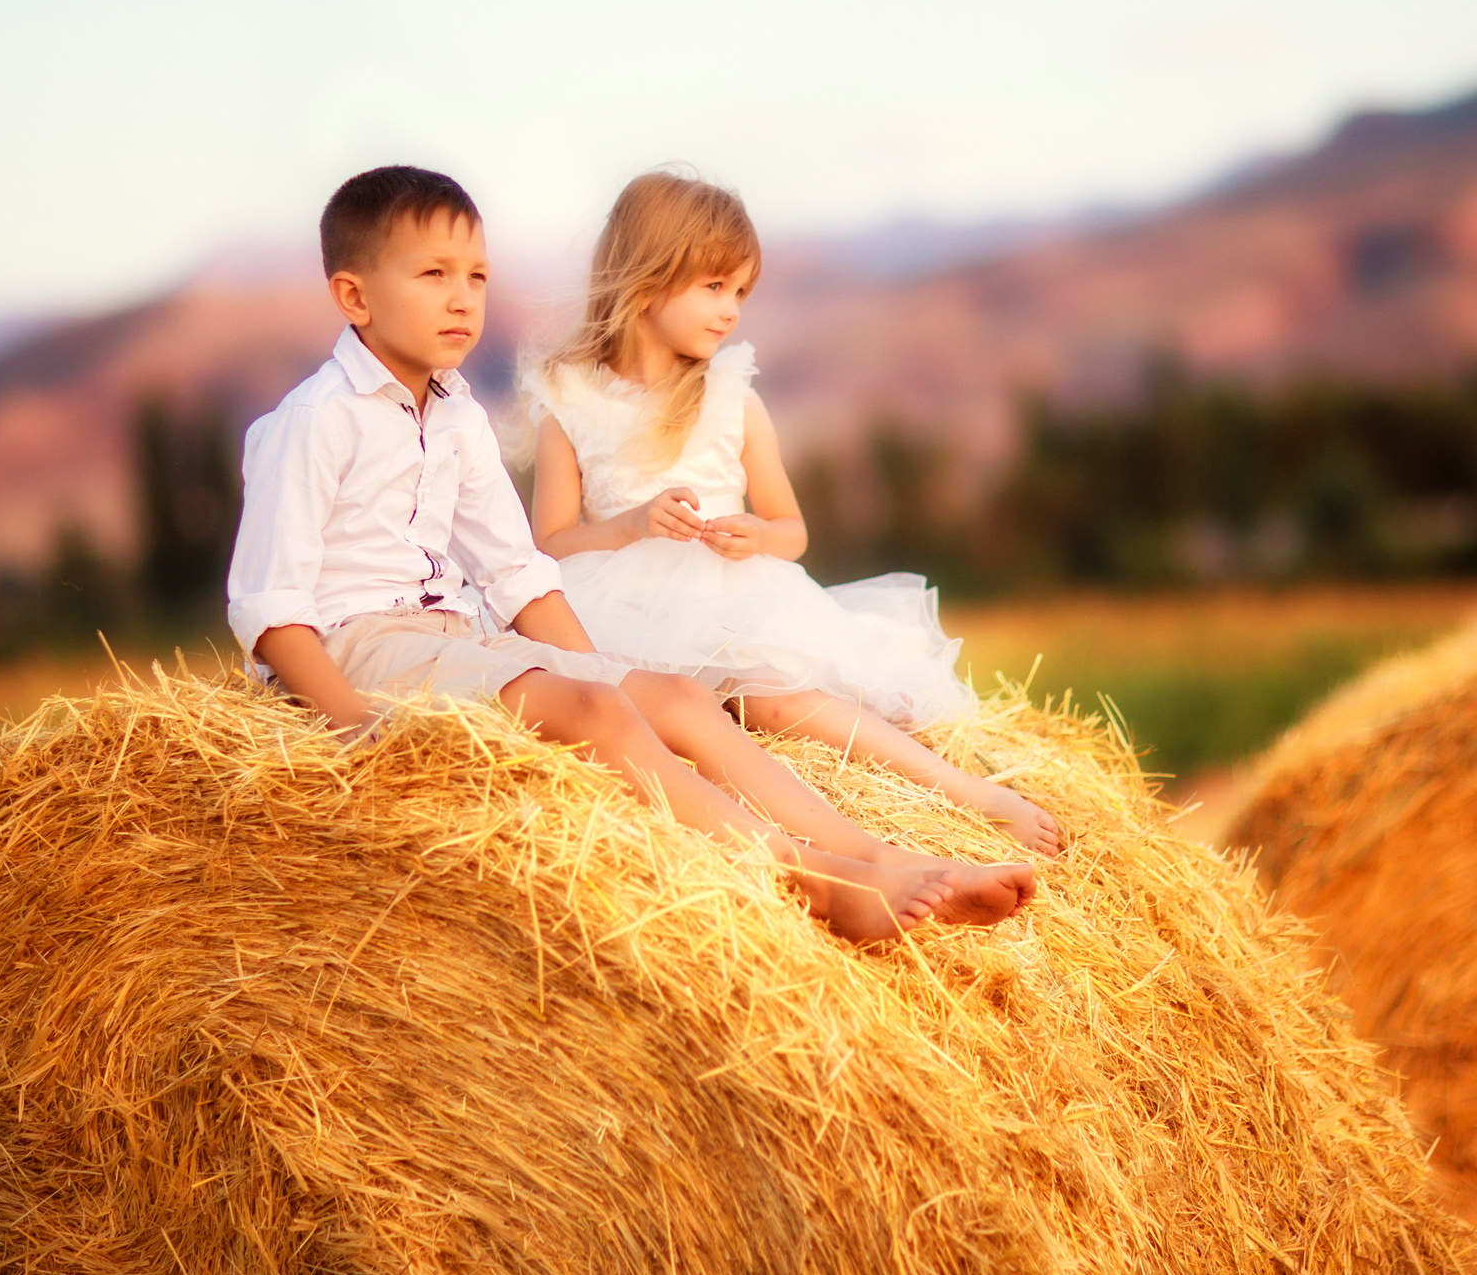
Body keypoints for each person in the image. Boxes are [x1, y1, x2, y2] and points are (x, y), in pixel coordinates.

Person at [227, 165, 1037, 942]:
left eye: (476, 276)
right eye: (434, 274)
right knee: (597, 712)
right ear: (354, 296)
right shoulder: (314, 421)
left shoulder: (458, 416)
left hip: (457, 631)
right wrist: (357, 731)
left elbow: (518, 573)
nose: (463, 298)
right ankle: (808, 878)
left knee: (675, 694)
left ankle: (880, 855)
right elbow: (270, 611)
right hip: (364, 642)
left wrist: (605, 669)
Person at [525, 169, 1062, 855]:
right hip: (613, 604)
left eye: (741, 292)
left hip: (730, 598)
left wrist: (756, 537)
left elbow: (792, 530)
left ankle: (978, 796)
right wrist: (629, 526)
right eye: (713, 286)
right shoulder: (571, 402)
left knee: (774, 701)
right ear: (647, 278)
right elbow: (550, 542)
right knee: (644, 707)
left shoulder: (731, 399)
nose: (730, 310)